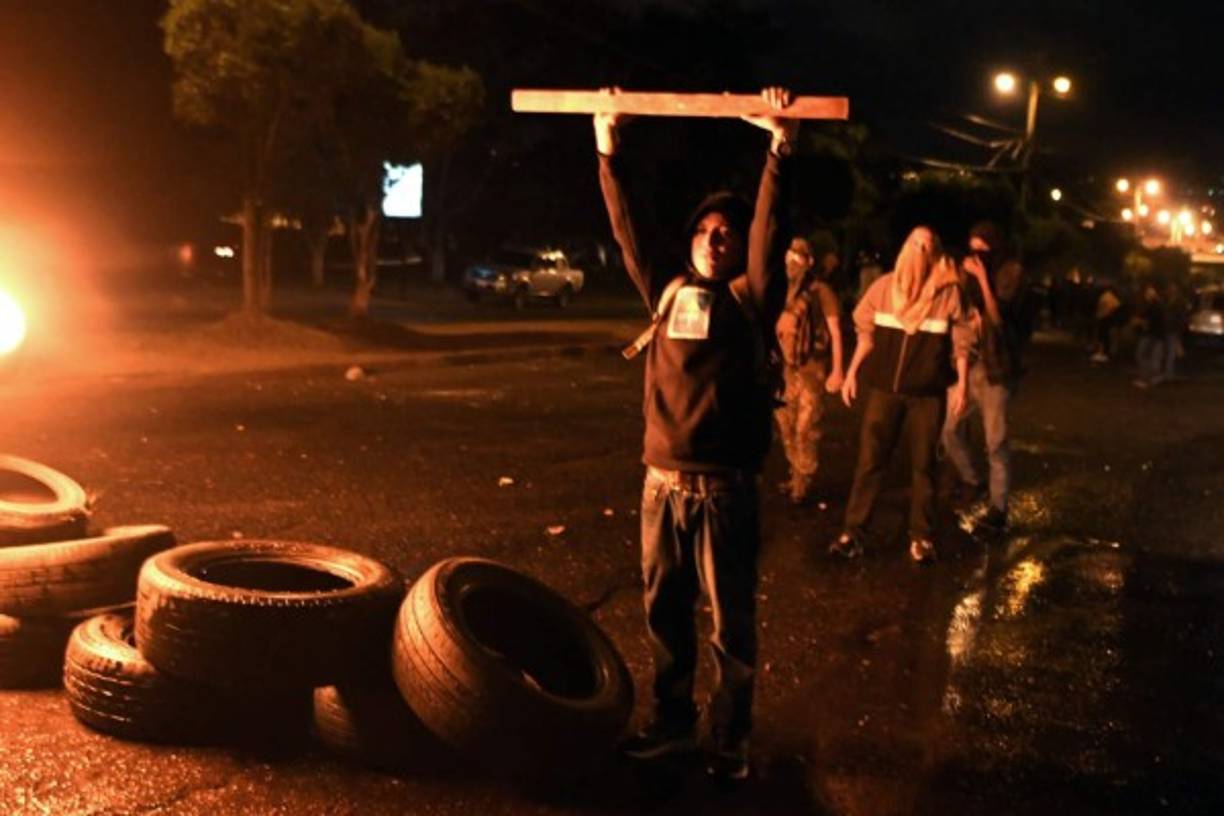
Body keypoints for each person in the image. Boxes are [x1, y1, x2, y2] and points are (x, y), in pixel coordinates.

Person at [594, 87, 798, 783]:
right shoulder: (667, 291)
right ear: (689, 241)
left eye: (727, 232)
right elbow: (629, 227)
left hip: (724, 493)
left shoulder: (749, 300)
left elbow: (771, 236)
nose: (716, 239)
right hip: (660, 486)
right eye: (705, 230)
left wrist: (780, 149)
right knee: (664, 615)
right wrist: (607, 146)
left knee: (730, 626)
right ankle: (673, 723)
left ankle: (730, 739)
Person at [829, 227, 971, 563]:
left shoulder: (948, 294)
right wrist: (850, 373)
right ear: (905, 247)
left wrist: (962, 385)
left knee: (924, 466)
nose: (920, 250)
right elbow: (865, 333)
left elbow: (962, 340)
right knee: (870, 462)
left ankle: (921, 537)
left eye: (928, 245)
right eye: (915, 243)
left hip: (928, 395)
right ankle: (853, 532)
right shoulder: (883, 288)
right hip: (884, 391)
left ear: (935, 253)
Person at [940, 221, 1029, 532]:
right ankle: (972, 480)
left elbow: (998, 317)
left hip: (997, 367)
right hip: (969, 365)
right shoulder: (970, 278)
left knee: (996, 440)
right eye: (973, 249)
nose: (978, 255)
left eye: (984, 249)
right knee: (949, 429)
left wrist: (982, 278)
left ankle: (998, 507)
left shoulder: (1011, 271)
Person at [774, 235, 844, 503]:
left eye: (798, 256)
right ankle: (796, 476)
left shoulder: (821, 291)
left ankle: (802, 481)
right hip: (785, 368)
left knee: (806, 427)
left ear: (809, 260)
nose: (792, 261)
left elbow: (835, 332)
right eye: (789, 256)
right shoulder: (781, 289)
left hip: (812, 369)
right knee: (786, 426)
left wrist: (838, 370)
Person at [1131, 282, 1167, 388]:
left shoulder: (1156, 305)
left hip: (1153, 335)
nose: (1146, 295)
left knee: (1144, 356)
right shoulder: (1153, 305)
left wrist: (1140, 321)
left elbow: (1151, 320)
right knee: (1149, 357)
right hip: (1154, 335)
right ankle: (1150, 378)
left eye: (1149, 293)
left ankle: (1146, 379)